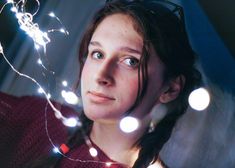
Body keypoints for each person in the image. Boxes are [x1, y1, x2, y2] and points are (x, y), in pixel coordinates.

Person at [0, 0, 201, 167]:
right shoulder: (37, 118)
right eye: (97, 54)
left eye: (131, 61)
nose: (101, 75)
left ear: (170, 88)